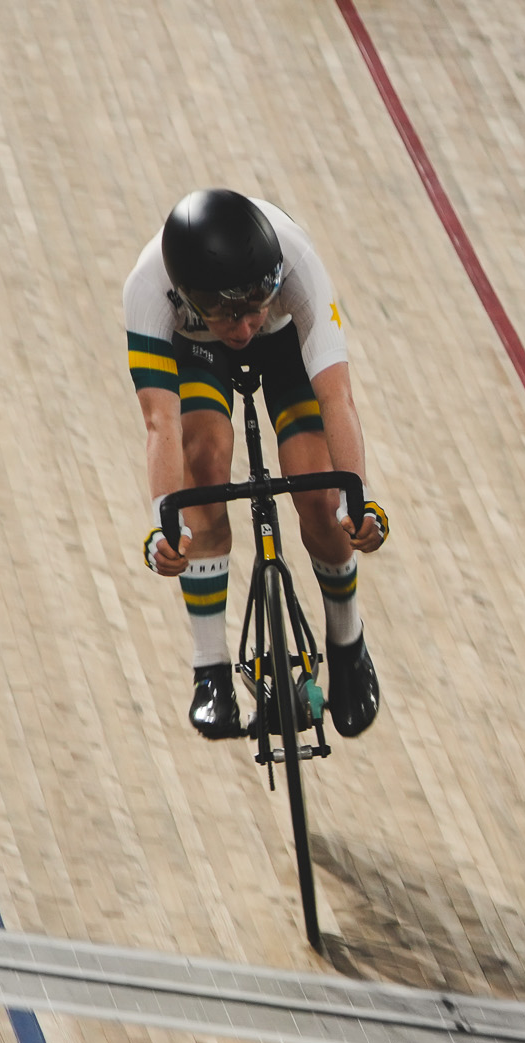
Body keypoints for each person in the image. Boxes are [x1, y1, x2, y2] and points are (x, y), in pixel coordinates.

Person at [126, 189, 385, 740]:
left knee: (319, 495)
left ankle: (347, 644)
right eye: (228, 314)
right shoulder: (148, 290)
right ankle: (210, 668)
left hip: (286, 341)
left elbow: (337, 398)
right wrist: (164, 527)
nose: (243, 328)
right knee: (205, 462)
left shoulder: (298, 264)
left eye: (254, 306)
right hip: (196, 348)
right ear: (189, 295)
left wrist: (356, 500)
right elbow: (161, 425)